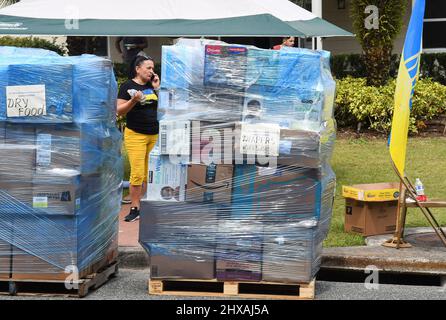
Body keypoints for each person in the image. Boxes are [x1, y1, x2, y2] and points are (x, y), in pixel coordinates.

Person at [117, 55, 160, 222]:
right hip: (136, 134)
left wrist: (157, 89)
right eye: (148, 68)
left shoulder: (152, 84)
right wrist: (133, 101)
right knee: (137, 173)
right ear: (138, 69)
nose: (151, 71)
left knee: (151, 173)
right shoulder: (127, 86)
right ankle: (135, 208)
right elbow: (119, 111)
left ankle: (148, 205)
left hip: (154, 134)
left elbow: (164, 107)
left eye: (152, 68)